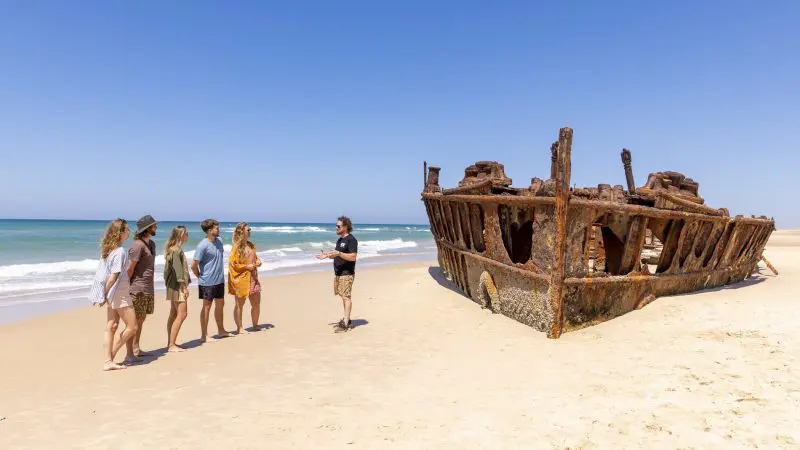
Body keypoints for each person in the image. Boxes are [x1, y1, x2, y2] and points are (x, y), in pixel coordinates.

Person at [88, 219, 138, 371]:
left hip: (112, 293)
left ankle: (108, 360)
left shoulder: (108, 250)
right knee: (132, 326)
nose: (129, 232)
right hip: (119, 292)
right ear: (121, 233)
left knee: (112, 325)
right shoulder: (120, 252)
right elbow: (113, 276)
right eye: (127, 230)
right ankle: (110, 358)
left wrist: (104, 294)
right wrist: (103, 295)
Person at [125, 214, 158, 363]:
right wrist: (125, 287)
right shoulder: (137, 245)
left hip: (148, 288)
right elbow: (130, 269)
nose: (156, 227)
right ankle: (130, 353)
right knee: (134, 322)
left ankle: (136, 348)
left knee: (142, 319)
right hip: (137, 288)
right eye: (154, 225)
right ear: (148, 228)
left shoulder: (151, 244)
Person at [316, 216, 358, 332]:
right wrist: (327, 256)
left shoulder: (351, 240)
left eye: (338, 226)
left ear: (345, 227)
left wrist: (339, 253)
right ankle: (347, 319)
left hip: (347, 273)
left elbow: (353, 256)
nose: (336, 228)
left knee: (346, 297)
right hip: (338, 273)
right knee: (343, 297)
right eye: (336, 225)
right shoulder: (340, 240)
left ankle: (345, 323)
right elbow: (336, 254)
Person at [191, 218, 230, 342]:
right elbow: (193, 265)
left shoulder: (219, 241)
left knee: (220, 305)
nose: (219, 229)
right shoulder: (202, 245)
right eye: (216, 227)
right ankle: (204, 335)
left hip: (219, 280)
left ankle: (221, 330)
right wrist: (200, 277)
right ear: (209, 230)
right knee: (207, 307)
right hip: (207, 282)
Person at [228, 222, 263, 334]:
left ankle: (255, 324)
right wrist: (246, 266)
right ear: (241, 231)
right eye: (248, 230)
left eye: (250, 229)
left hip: (253, 278)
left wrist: (258, 261)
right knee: (240, 304)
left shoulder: (251, 245)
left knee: (256, 303)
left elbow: (254, 258)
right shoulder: (236, 247)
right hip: (241, 279)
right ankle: (240, 328)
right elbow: (233, 264)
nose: (250, 231)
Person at [164, 225, 191, 352]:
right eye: (186, 233)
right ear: (181, 235)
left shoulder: (172, 249)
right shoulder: (176, 250)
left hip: (171, 286)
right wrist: (183, 287)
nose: (188, 235)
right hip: (177, 286)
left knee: (173, 314)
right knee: (182, 314)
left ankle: (170, 342)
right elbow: (178, 270)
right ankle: (171, 345)